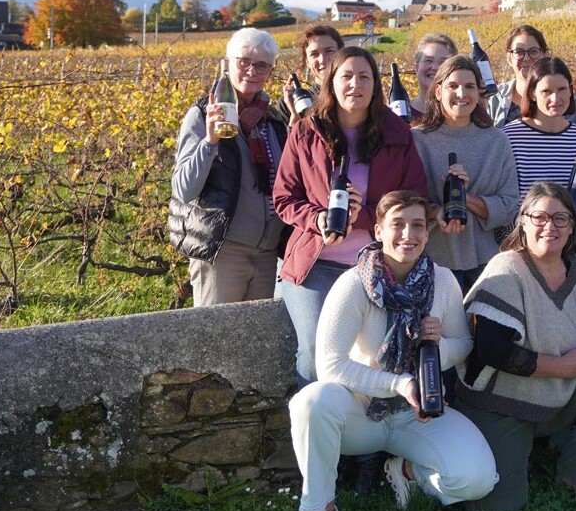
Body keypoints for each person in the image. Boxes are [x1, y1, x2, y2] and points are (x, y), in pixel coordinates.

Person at [284, 191, 498, 511]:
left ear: (427, 233)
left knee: (478, 479)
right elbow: (329, 364)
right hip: (361, 412)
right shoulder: (354, 284)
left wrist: (436, 346)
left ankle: (405, 473)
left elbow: (463, 343)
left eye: (417, 225)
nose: (408, 235)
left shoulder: (443, 281)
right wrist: (401, 384)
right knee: (311, 402)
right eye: (397, 224)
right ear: (379, 231)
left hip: (419, 413)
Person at [457, 183, 576, 511]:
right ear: (522, 222)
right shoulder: (506, 268)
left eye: (560, 218)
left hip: (558, 396)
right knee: (498, 508)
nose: (549, 226)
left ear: (572, 226)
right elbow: (490, 349)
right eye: (539, 217)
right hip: (501, 404)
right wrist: (559, 366)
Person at [274, 47, 429, 386]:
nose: (355, 85)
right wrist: (318, 219)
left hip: (377, 267)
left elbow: (416, 198)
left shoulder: (397, 134)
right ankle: (316, 416)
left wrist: (365, 218)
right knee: (315, 352)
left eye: (364, 77)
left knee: (375, 356)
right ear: (331, 82)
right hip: (315, 265)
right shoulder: (305, 131)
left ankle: (363, 419)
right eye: (346, 76)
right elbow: (284, 198)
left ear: (375, 85)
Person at [171, 28, 288, 306]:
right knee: (215, 331)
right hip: (224, 253)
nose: (251, 71)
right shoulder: (203, 115)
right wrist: (210, 141)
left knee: (253, 331)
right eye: (244, 62)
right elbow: (184, 189)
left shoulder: (273, 122)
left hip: (267, 255)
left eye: (261, 65)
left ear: (270, 72)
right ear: (227, 63)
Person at [412, 55, 518, 292]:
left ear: (479, 93)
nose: (462, 93)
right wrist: (436, 211)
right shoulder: (417, 140)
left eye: (469, 86)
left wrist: (465, 197)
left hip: (487, 266)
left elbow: (509, 205)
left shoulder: (497, 141)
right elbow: (403, 201)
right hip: (429, 263)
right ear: (438, 91)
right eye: (453, 86)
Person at [501, 57, 576, 251]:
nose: (555, 99)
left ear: (571, 90)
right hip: (523, 242)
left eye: (562, 89)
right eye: (546, 91)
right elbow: (506, 202)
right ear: (532, 93)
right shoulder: (509, 137)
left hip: (569, 241)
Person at [278, 24, 344, 125]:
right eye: (314, 54)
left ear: (342, 54)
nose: (322, 60)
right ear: (307, 61)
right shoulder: (289, 104)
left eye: (329, 51)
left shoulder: (354, 95)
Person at [489, 24, 549, 127]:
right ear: (509, 58)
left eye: (533, 51)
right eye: (519, 52)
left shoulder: (562, 97)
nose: (526, 58)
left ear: (545, 54)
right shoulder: (494, 99)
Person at [408, 33, 458, 122]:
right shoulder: (400, 113)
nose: (435, 67)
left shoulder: (463, 115)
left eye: (442, 62)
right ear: (417, 68)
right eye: (428, 60)